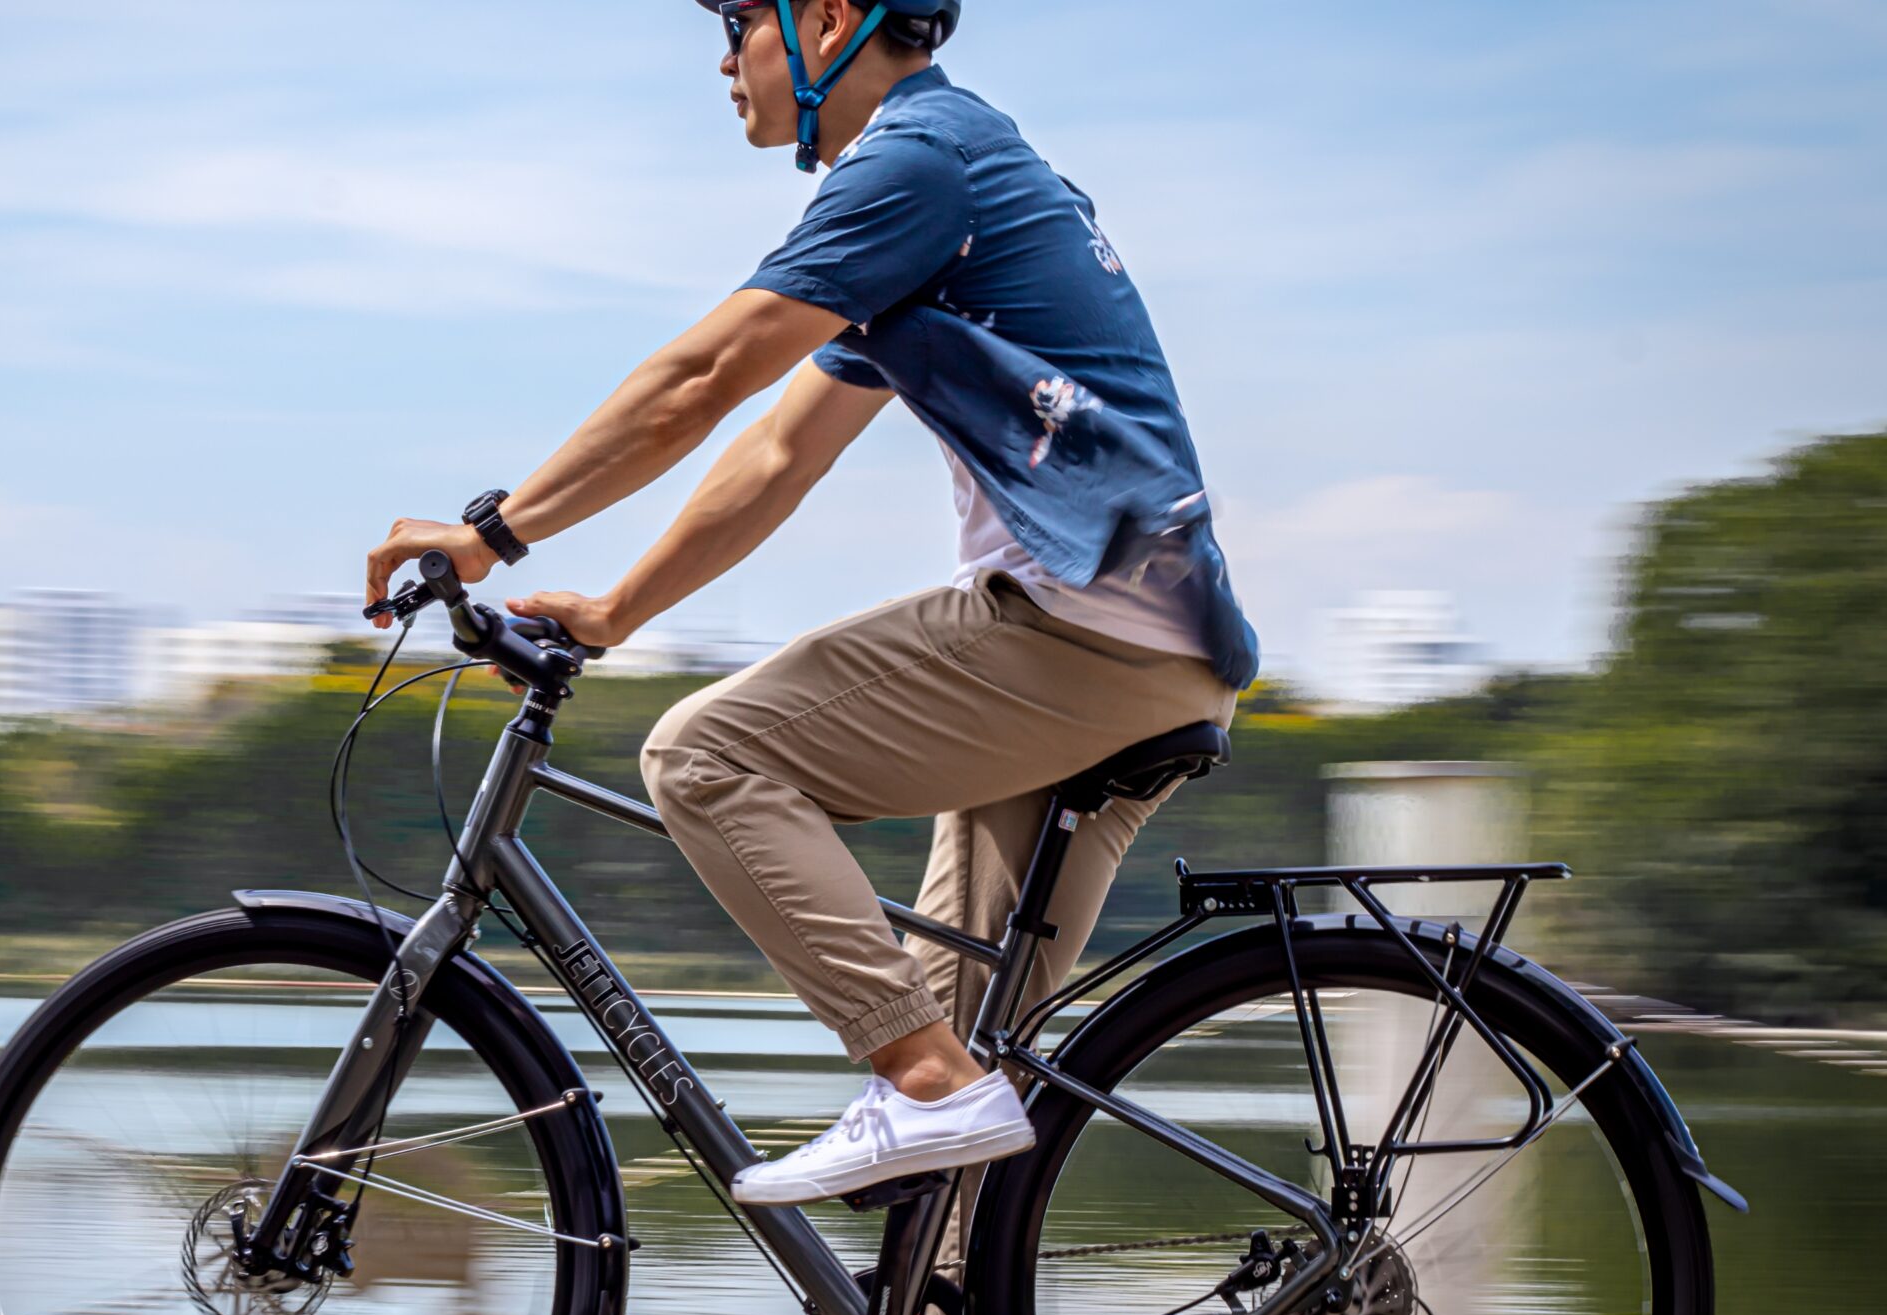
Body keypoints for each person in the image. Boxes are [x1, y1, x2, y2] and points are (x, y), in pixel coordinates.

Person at [363, 0, 1256, 1210]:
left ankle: (921, 1081)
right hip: (1151, 648)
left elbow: (699, 380)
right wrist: (619, 608)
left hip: (1081, 625)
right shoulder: (953, 171)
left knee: (705, 753)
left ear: (830, 15)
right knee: (956, 1182)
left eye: (739, 24)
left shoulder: (915, 165)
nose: (724, 61)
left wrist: (490, 533)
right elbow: (780, 450)